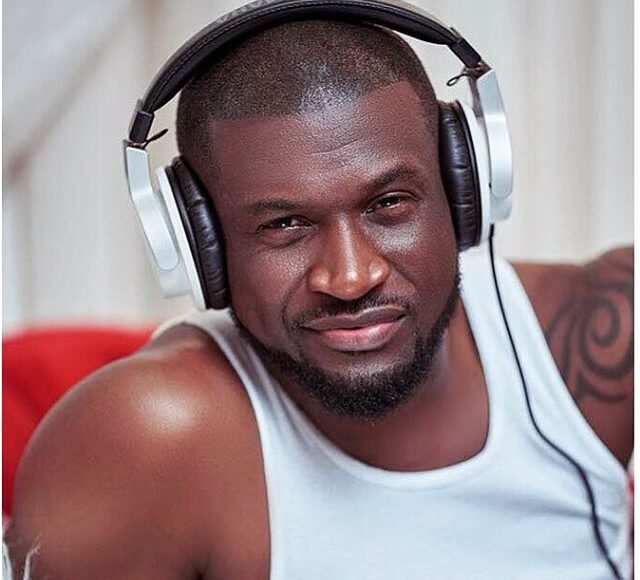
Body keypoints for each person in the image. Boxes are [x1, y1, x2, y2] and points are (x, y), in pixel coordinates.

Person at [6, 9, 633, 580]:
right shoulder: (143, 446)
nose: (351, 277)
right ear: (203, 251)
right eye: (285, 225)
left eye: (389, 203)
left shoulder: (599, 335)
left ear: (464, 189)